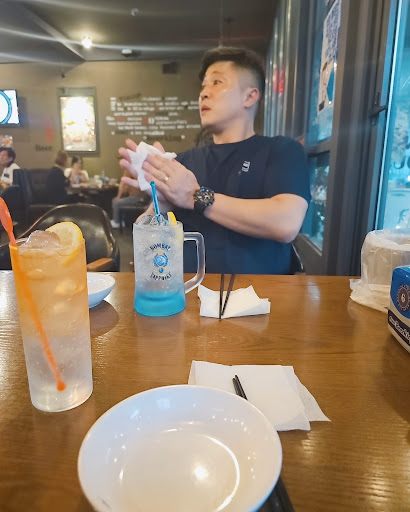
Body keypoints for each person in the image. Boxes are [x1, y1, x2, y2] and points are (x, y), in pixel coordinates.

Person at [119, 46, 310, 274]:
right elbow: (144, 245)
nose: (204, 93)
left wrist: (194, 196)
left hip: (262, 292)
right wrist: (162, 205)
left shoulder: (281, 150)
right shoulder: (182, 163)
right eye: (203, 86)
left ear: (250, 96)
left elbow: (286, 223)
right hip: (188, 290)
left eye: (217, 82)